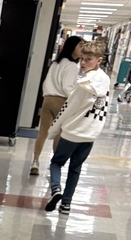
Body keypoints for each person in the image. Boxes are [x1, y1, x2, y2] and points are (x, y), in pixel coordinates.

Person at [44, 39, 110, 215]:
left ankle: (56, 189)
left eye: (88, 59)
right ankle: (66, 205)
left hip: (72, 132)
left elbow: (67, 110)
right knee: (75, 169)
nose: (82, 63)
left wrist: (53, 130)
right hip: (89, 135)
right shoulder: (105, 81)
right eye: (82, 59)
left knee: (56, 162)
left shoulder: (82, 85)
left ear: (99, 60)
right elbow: (102, 110)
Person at [30, 35, 84, 175]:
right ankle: (55, 165)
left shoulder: (55, 63)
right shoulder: (72, 66)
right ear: (72, 48)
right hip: (61, 101)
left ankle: (35, 161)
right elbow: (67, 88)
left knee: (43, 132)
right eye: (80, 46)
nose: (82, 49)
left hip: (47, 99)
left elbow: (46, 82)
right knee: (59, 133)